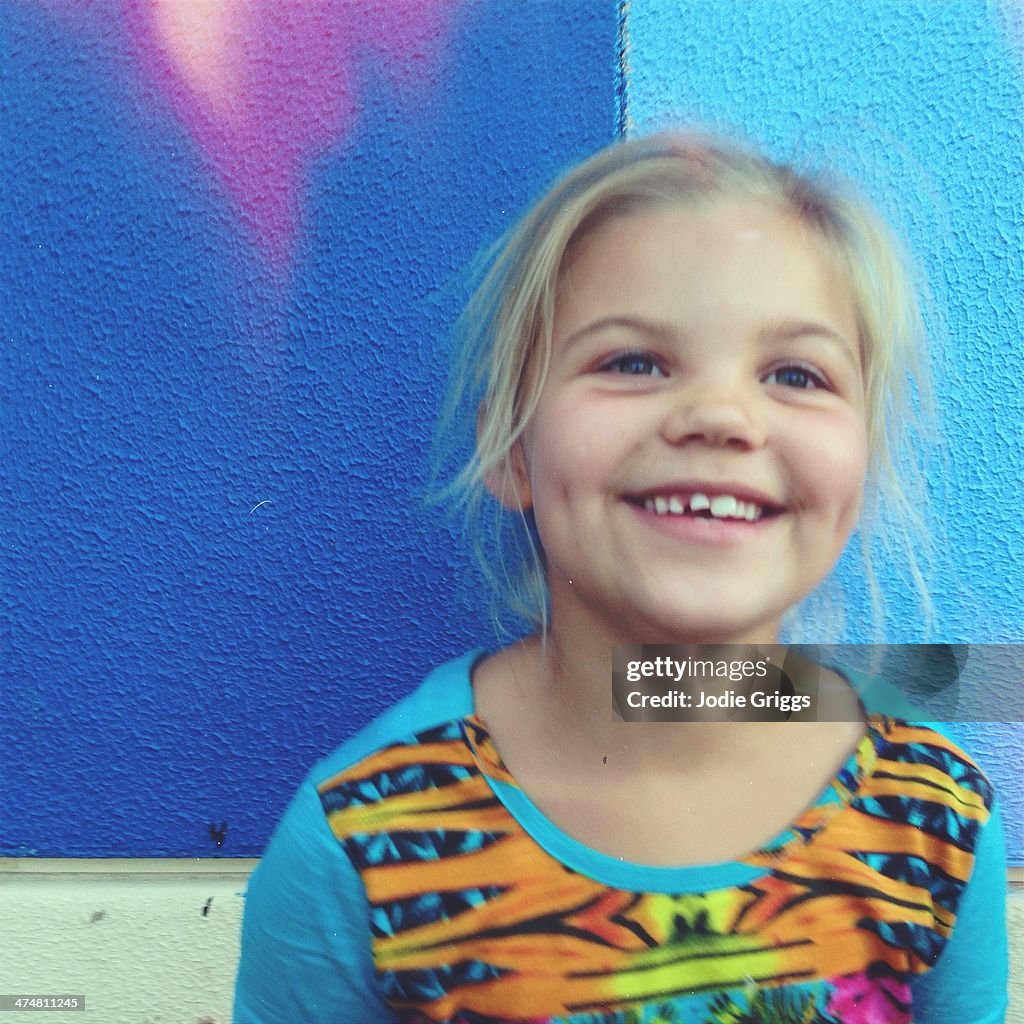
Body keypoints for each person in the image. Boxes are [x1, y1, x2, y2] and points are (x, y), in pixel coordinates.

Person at [232, 133, 1008, 1023]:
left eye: (797, 373)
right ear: (511, 449)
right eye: (632, 362)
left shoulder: (934, 824)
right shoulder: (361, 841)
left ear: (863, 470)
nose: (721, 415)